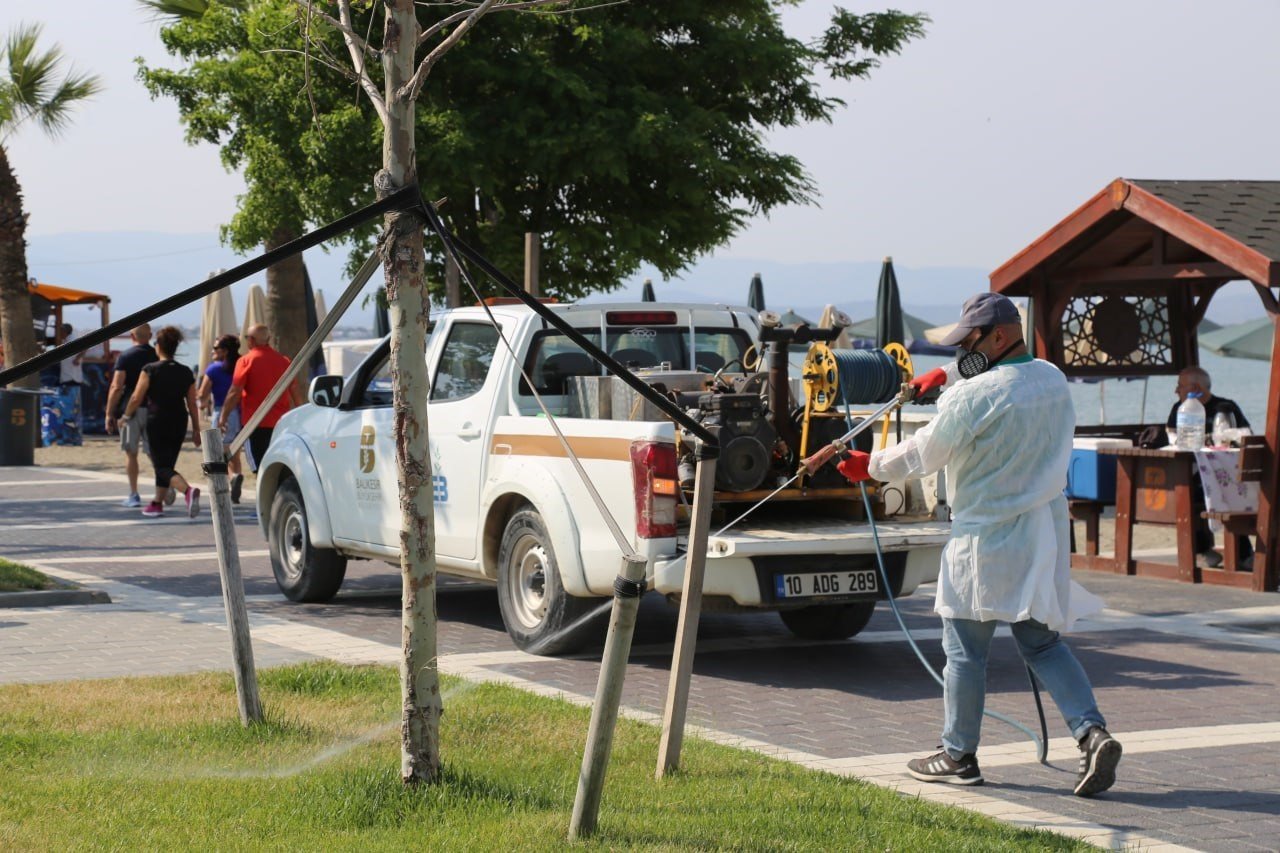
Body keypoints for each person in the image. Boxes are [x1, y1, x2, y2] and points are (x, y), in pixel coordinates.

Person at [836, 292, 1122, 797]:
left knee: (965, 650)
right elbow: (1004, 382)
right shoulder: (1052, 378)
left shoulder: (971, 398)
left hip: (984, 538)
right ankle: (1091, 733)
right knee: (1043, 642)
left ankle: (958, 754)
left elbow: (925, 453)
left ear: (998, 336)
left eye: (968, 341)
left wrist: (870, 467)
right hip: (1043, 533)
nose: (960, 351)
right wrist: (943, 378)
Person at [1162, 366, 1253, 569]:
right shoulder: (1179, 408)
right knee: (1190, 488)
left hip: (1227, 473)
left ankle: (1239, 554)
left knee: (1215, 491)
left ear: (1195, 387)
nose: (1176, 391)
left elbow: (1243, 436)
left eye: (1180, 386)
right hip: (1194, 471)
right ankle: (1205, 550)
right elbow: (1173, 437)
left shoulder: (1225, 408)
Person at [122, 326, 202, 519]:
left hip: (157, 419)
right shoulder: (185, 372)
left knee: (161, 466)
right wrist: (197, 429)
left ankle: (188, 491)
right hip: (179, 420)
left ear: (158, 346)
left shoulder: (150, 369)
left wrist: (125, 417)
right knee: (167, 463)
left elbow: (136, 398)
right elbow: (192, 403)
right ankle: (157, 503)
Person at [219, 323, 304, 471]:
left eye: (246, 338)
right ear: (268, 339)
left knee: (260, 467)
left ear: (251, 340)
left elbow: (235, 392)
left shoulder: (246, 361)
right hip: (280, 423)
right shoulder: (284, 361)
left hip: (255, 423)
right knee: (279, 466)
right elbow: (295, 391)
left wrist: (223, 416)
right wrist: (302, 416)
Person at [105, 324, 159, 507]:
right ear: (150, 335)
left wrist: (109, 412)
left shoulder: (125, 356)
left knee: (131, 452)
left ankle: (134, 494)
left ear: (131, 336)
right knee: (154, 452)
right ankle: (166, 484)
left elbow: (116, 387)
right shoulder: (157, 355)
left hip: (131, 409)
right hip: (154, 409)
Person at [197, 334, 245, 503]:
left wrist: (201, 402)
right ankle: (237, 476)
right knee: (235, 453)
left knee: (220, 454)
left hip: (222, 412)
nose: (212, 351)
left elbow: (202, 393)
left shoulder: (214, 369)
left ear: (224, 351)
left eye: (216, 348)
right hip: (242, 413)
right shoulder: (241, 365)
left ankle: (231, 480)